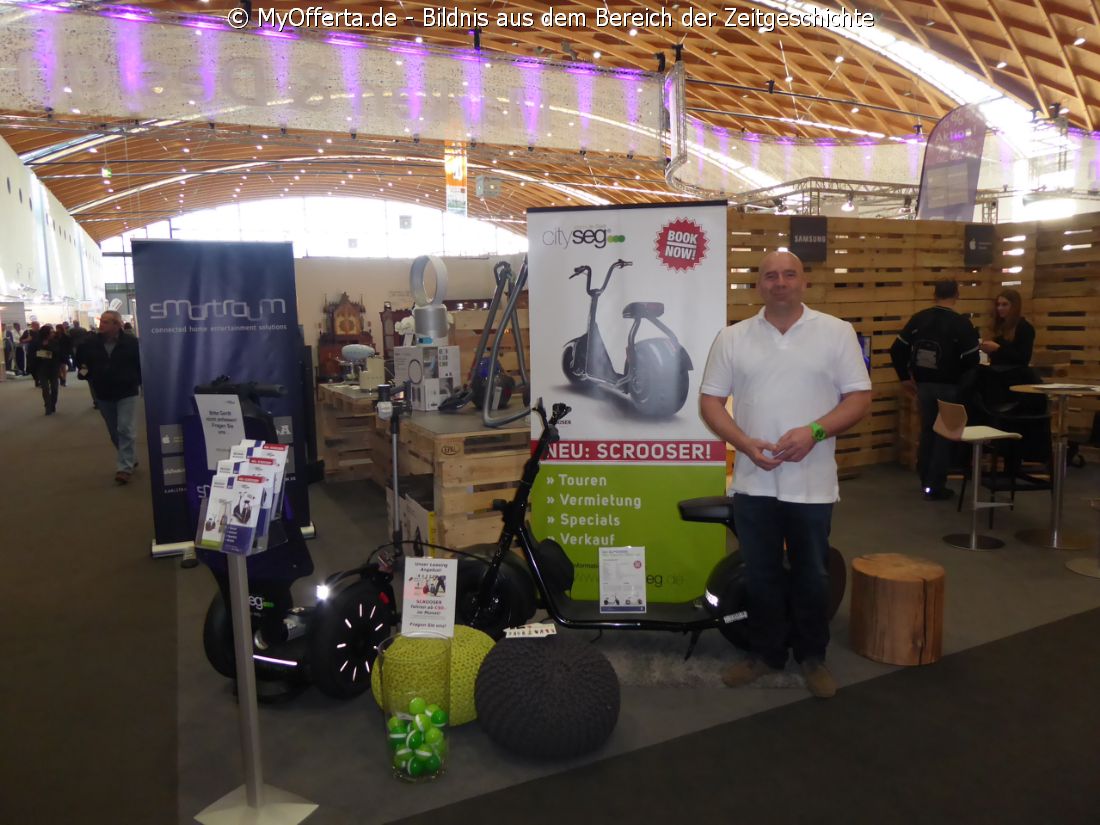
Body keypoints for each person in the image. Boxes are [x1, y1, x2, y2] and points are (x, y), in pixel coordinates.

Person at [699, 250, 871, 699]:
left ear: (803, 281)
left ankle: (813, 657)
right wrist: (744, 443)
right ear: (759, 284)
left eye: (789, 274)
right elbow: (710, 402)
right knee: (760, 574)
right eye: (771, 276)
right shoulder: (732, 338)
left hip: (812, 484)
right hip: (754, 481)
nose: (780, 282)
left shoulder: (836, 333)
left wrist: (815, 432)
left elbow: (858, 398)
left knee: (813, 575)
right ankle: (766, 654)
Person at [890, 279, 980, 501]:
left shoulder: (919, 319)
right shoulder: (961, 324)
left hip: (923, 385)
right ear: (957, 294)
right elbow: (972, 360)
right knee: (945, 435)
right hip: (950, 387)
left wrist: (905, 378)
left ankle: (926, 481)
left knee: (928, 431)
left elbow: (897, 349)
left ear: (934, 294)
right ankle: (936, 485)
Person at [76, 310, 142, 484]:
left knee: (125, 428)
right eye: (101, 321)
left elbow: (140, 364)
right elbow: (81, 361)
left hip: (127, 391)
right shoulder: (90, 343)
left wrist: (137, 381)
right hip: (103, 392)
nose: (101, 325)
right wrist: (88, 374)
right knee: (114, 431)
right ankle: (130, 457)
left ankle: (124, 468)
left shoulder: (131, 343)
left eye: (106, 322)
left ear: (117, 325)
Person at [981, 289, 1035, 368]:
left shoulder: (1025, 327)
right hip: (997, 370)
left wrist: (998, 348)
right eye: (998, 304)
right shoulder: (1000, 326)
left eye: (1004, 304)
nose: (999, 308)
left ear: (1014, 306)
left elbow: (1023, 359)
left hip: (1015, 373)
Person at [33, 325, 63, 415]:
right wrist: (48, 353)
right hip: (41, 368)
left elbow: (57, 353)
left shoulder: (55, 342)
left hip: (53, 368)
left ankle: (53, 404)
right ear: (46, 333)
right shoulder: (37, 342)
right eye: (51, 332)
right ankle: (48, 406)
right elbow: (34, 354)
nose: (53, 333)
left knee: (54, 388)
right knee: (45, 388)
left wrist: (46, 350)